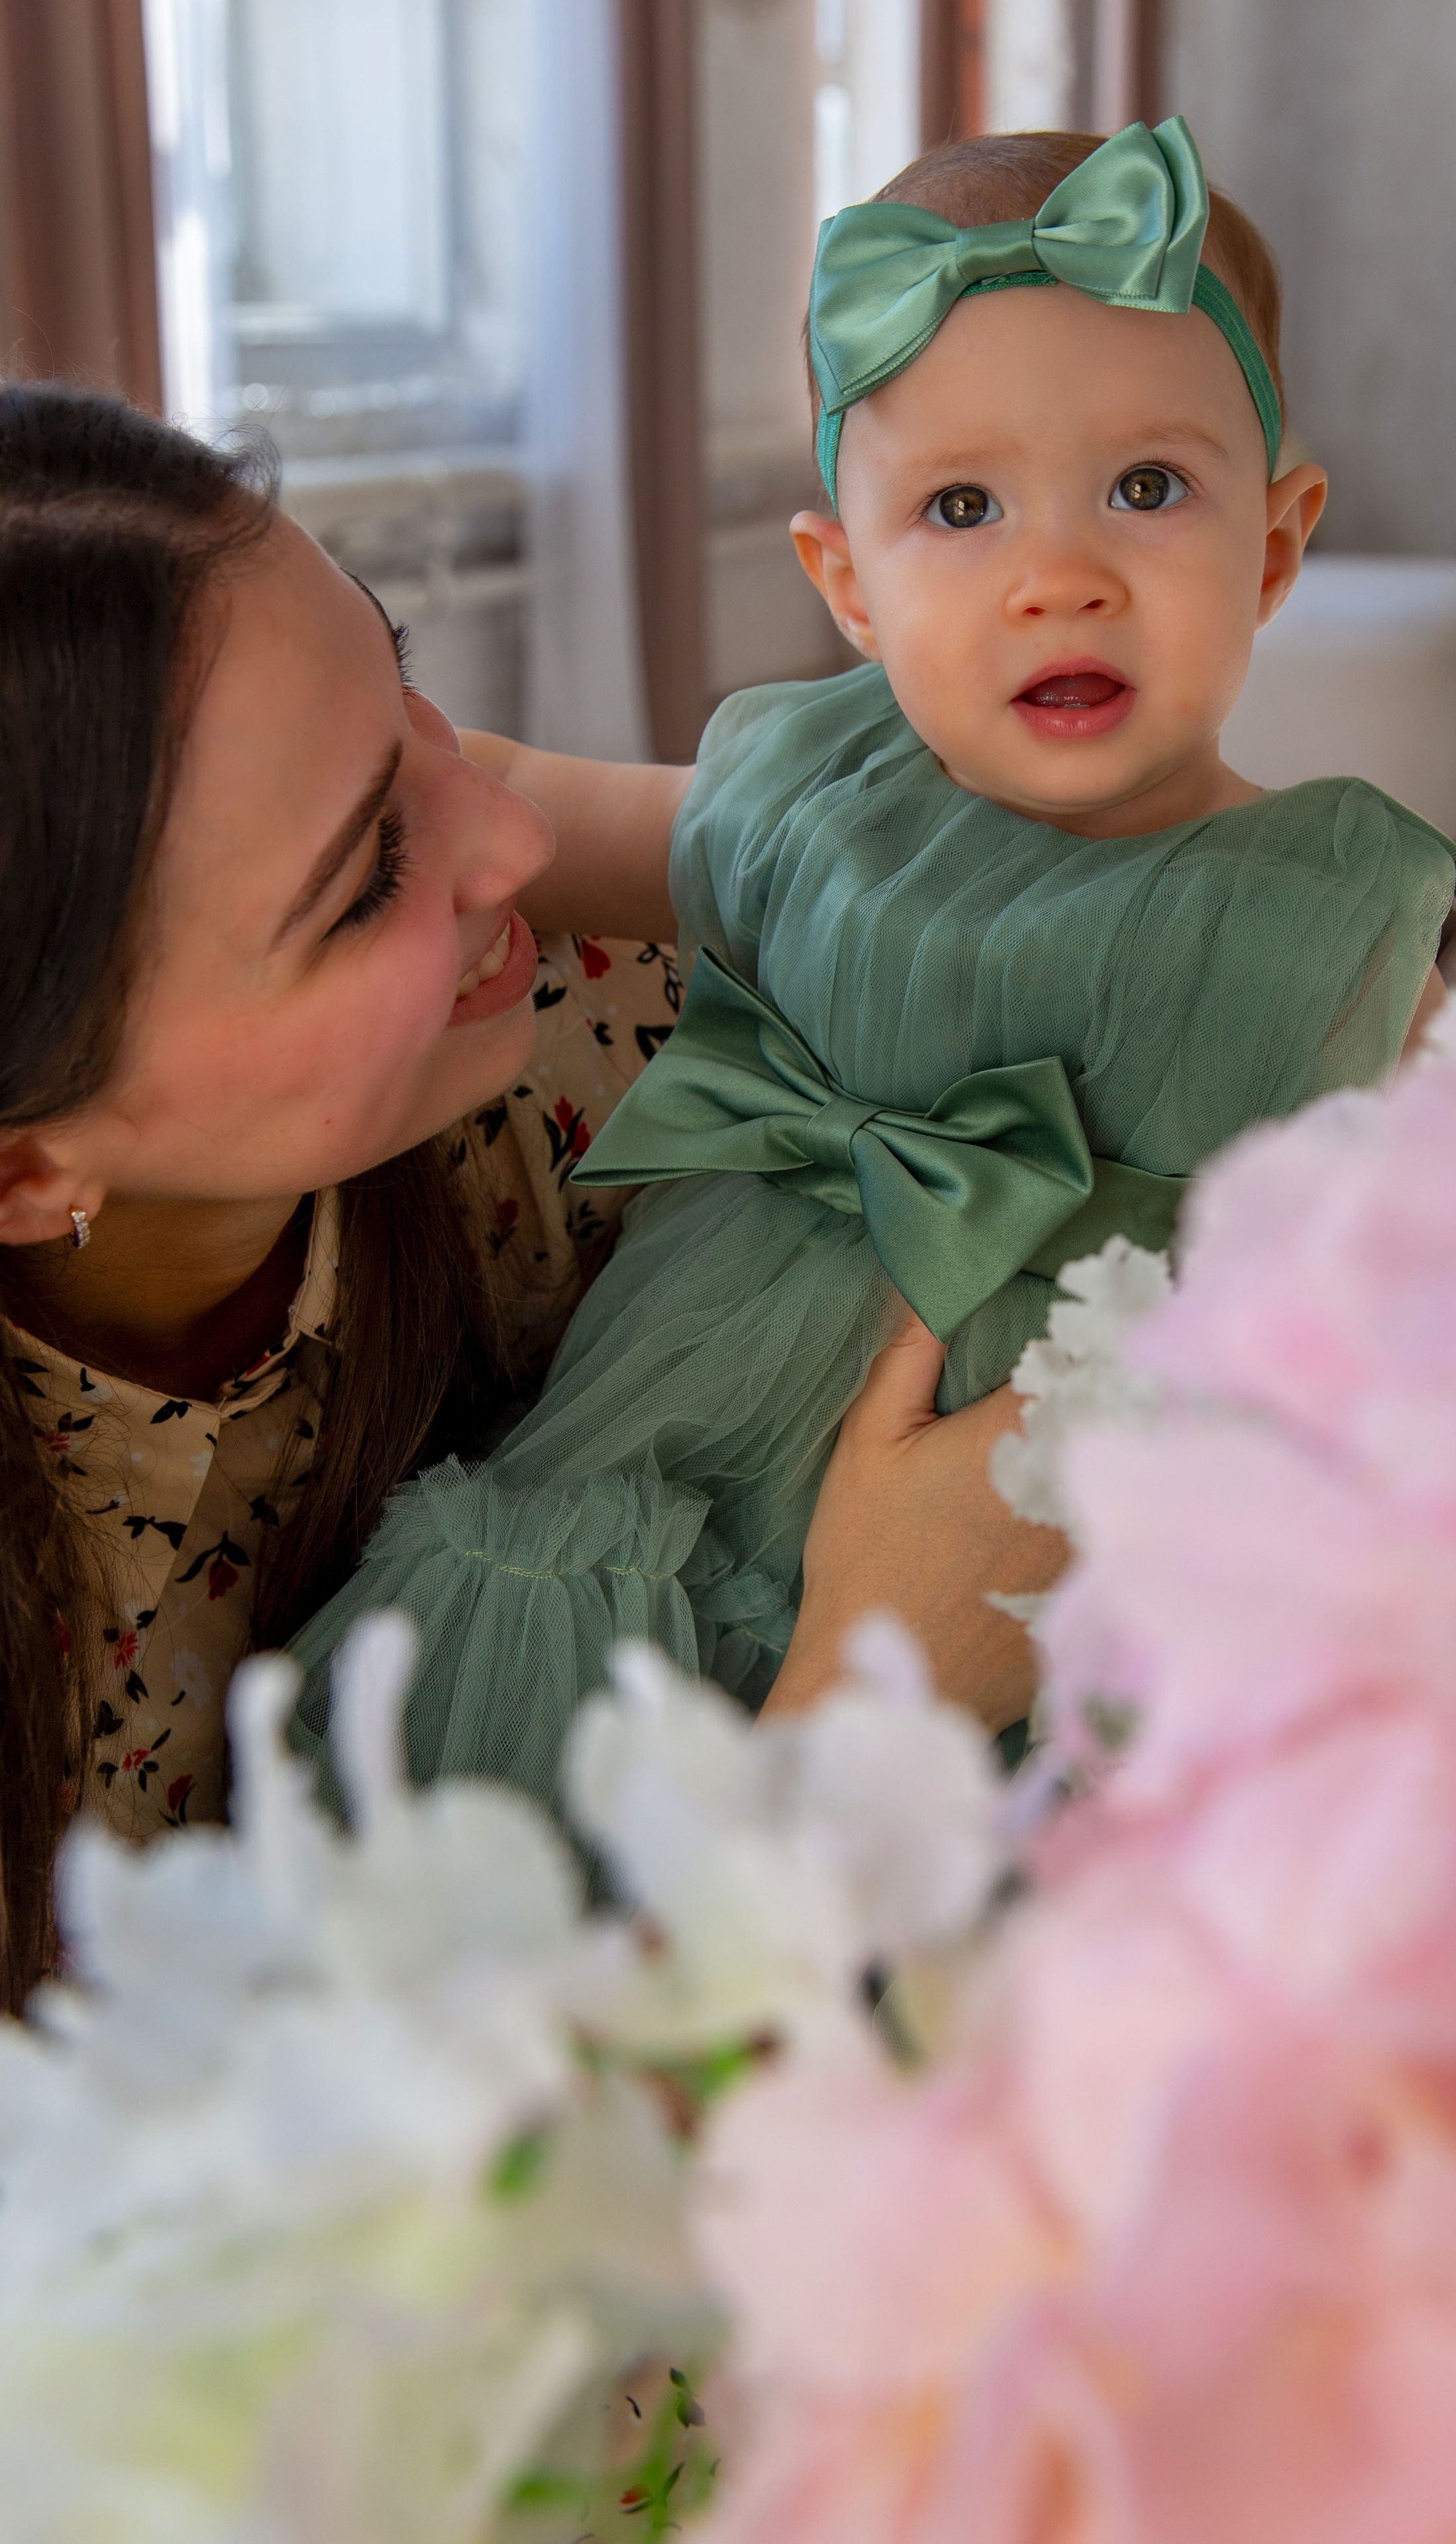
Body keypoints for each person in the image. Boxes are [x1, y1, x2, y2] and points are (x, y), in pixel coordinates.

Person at [286, 119, 1456, 1799]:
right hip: (668, 1457)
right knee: (518, 1842)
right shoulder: (808, 792)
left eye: (1147, 489)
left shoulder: (1323, 909)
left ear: (1274, 545)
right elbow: (521, 804)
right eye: (960, 507)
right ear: (844, 585)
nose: (1055, 578)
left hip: (1052, 1561)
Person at [0, 387, 1062, 2011]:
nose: (511, 833)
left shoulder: (584, 1044)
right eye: (362, 884)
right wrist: (852, 1706)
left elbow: (1067, 931)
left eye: (409, 692)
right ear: (27, 1165)